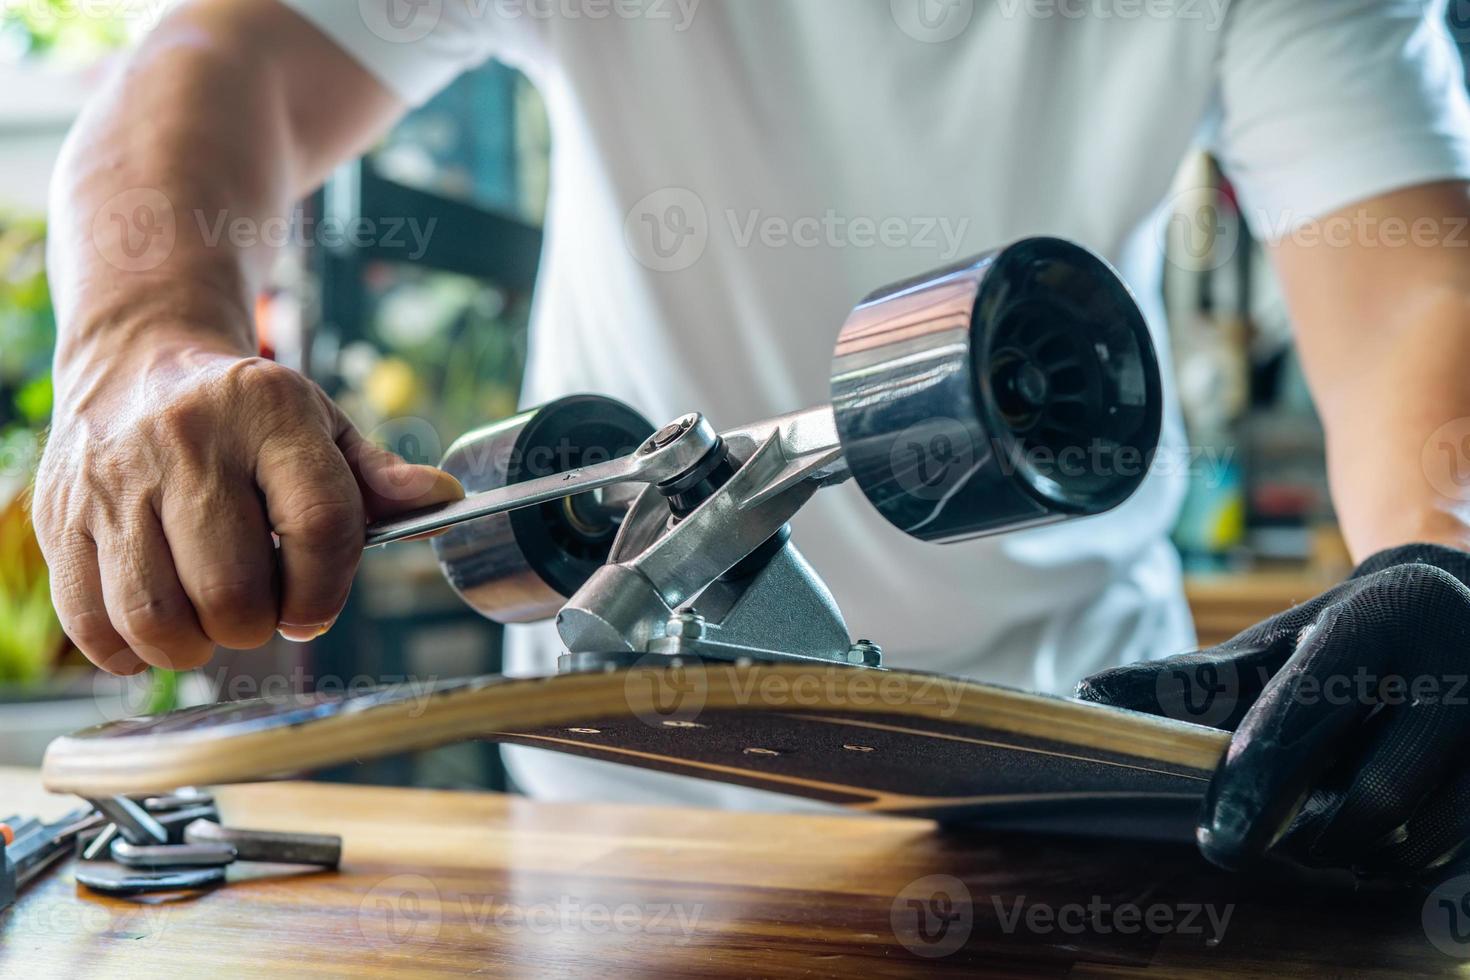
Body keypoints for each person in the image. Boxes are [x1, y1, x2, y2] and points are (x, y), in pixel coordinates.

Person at [34, 0, 1470, 879]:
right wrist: (141, 334)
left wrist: (1444, 571)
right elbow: (223, 55)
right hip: (634, 814)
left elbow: (1417, 296)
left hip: (1100, 791)